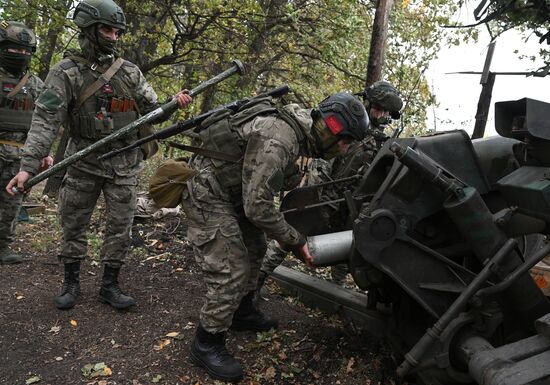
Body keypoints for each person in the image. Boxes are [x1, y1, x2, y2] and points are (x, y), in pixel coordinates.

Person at [6, 0, 192, 310]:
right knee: (73, 223)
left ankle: (110, 285)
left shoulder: (129, 72)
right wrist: (27, 167)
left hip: (124, 163)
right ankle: (71, 282)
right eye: (107, 30)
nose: (114, 37)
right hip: (83, 161)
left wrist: (174, 103)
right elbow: (44, 122)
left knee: (121, 226)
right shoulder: (66, 72)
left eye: (118, 31)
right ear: (89, 30)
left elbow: (152, 113)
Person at [181, 92, 369, 381]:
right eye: (344, 142)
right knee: (232, 267)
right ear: (331, 129)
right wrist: (296, 241)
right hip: (208, 192)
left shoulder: (300, 134)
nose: (343, 151)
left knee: (255, 247)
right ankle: (207, 343)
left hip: (235, 192)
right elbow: (258, 207)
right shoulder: (279, 139)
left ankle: (242, 312)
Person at [257, 81, 404, 290]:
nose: (380, 115)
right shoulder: (348, 123)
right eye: (378, 108)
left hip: (350, 203)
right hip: (325, 193)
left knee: (347, 251)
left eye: (385, 111)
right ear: (368, 103)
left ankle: (337, 293)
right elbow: (322, 159)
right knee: (289, 238)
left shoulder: (381, 142)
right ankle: (256, 283)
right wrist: (318, 194)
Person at [0, 21, 52, 265]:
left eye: (25, 51)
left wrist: (44, 153)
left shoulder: (37, 85)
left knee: (12, 203)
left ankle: (3, 246)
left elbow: (45, 122)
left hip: (20, 154)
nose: (20, 55)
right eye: (14, 49)